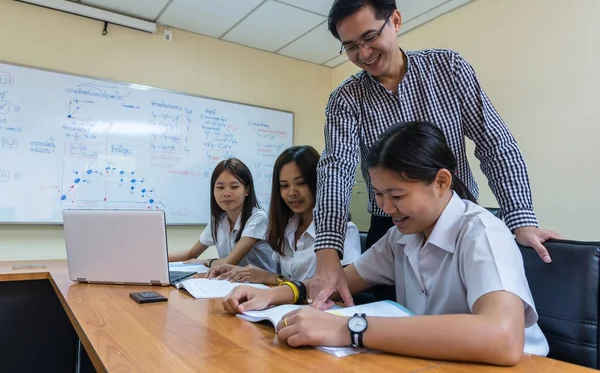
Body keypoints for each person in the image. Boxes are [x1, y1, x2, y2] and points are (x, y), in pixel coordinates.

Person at [311, 0, 560, 309]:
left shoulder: (447, 67)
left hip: (456, 217)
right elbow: (336, 171)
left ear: (395, 20)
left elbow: (494, 142)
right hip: (391, 226)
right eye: (351, 46)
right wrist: (328, 253)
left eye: (370, 37)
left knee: (466, 320)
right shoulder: (346, 98)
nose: (364, 54)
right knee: (394, 324)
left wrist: (521, 219)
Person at [222, 121, 549, 366]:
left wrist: (349, 329)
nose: (386, 208)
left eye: (396, 195)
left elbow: (502, 339)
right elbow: (336, 284)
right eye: (379, 194)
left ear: (441, 182)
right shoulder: (402, 236)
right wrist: (273, 294)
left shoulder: (482, 233)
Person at [207, 146, 361, 284]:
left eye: (300, 183)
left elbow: (342, 288)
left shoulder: (343, 230)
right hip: (288, 308)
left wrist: (272, 278)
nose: (292, 192)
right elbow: (286, 279)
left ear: (318, 182)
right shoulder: (286, 228)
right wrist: (260, 275)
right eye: (284, 186)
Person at [169, 158, 275, 272]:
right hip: (231, 282)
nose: (226, 193)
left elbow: (228, 263)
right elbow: (191, 253)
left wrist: (206, 261)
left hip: (263, 286)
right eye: (220, 187)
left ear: (247, 190)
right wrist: (154, 258)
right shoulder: (218, 220)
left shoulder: (258, 218)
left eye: (234, 187)